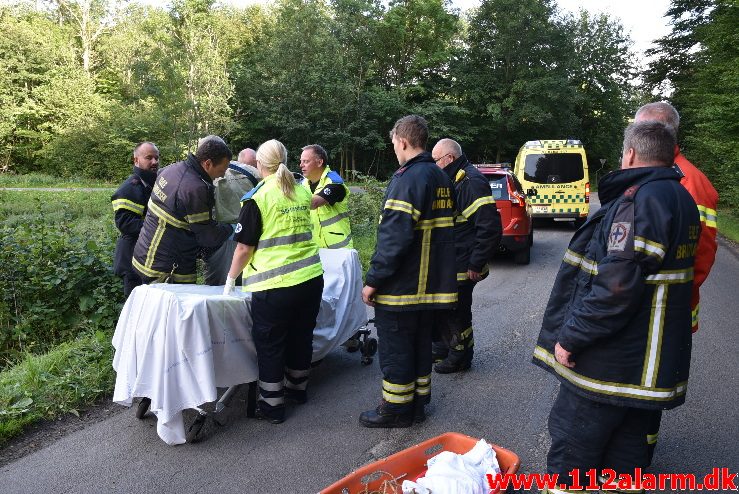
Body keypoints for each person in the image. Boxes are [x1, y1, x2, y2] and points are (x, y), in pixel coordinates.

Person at [532, 121, 700, 491]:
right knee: (625, 466)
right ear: (671, 154)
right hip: (644, 372)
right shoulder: (682, 198)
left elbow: (616, 289)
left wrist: (571, 337)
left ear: (630, 154)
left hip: (609, 368)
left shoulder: (639, 201)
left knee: (572, 457)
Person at [634, 102, 719, 465]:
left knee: (651, 377)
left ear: (662, 133)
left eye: (641, 131)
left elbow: (700, 255)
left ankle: (638, 451)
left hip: (665, 304)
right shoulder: (666, 172)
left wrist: (669, 291)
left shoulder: (688, 181)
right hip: (655, 301)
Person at [360, 115, 457, 428]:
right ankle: (417, 405)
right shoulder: (440, 176)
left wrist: (374, 280)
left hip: (402, 287)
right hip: (430, 287)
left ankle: (396, 410)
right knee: (419, 347)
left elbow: (394, 236)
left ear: (402, 141)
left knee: (397, 350)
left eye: (394, 144)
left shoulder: (408, 179)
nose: (394, 150)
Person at [223, 139, 324, 424]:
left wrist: (231, 280)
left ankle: (272, 407)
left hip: (274, 287)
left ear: (258, 164)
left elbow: (243, 249)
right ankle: (298, 390)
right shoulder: (301, 191)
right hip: (310, 280)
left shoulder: (258, 198)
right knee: (301, 337)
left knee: (271, 345)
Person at [430, 138, 502, 373]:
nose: (434, 165)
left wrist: (476, 262)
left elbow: (489, 226)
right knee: (445, 309)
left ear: (449, 158)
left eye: (436, 160)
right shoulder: (454, 178)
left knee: (457, 311)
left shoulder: (469, 182)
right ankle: (446, 347)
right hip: (453, 260)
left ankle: (460, 357)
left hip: (463, 263)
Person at [132, 135, 234, 283]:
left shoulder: (172, 169)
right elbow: (207, 236)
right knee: (170, 306)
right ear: (208, 163)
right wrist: (230, 228)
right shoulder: (196, 188)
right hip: (166, 269)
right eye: (222, 169)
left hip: (144, 254)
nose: (223, 174)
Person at [203, 147, 262, 285]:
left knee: (216, 285)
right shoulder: (257, 175)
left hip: (218, 238)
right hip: (247, 238)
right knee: (244, 285)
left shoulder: (214, 172)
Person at [111, 142, 159, 297]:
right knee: (135, 312)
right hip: (133, 260)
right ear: (136, 160)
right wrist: (159, 225)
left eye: (156, 158)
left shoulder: (152, 184)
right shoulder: (130, 188)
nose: (154, 162)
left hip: (147, 258)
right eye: (149, 158)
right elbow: (125, 224)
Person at [299, 144, 353, 249]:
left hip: (339, 250)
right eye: (301, 161)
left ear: (319, 162)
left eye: (306, 161)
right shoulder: (302, 185)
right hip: (315, 250)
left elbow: (314, 203)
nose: (301, 165)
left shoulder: (335, 183)